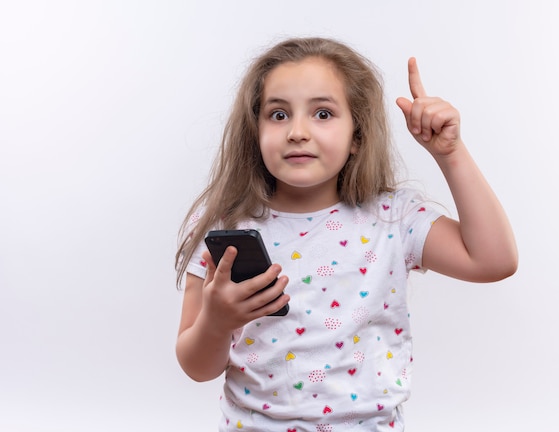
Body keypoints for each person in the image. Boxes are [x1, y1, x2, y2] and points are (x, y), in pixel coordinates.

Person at [174, 37, 517, 431]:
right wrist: (216, 322)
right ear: (255, 130)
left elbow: (494, 260)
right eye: (279, 114)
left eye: (322, 114)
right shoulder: (223, 224)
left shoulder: (393, 218)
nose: (297, 131)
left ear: (357, 136)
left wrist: (450, 154)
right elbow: (197, 368)